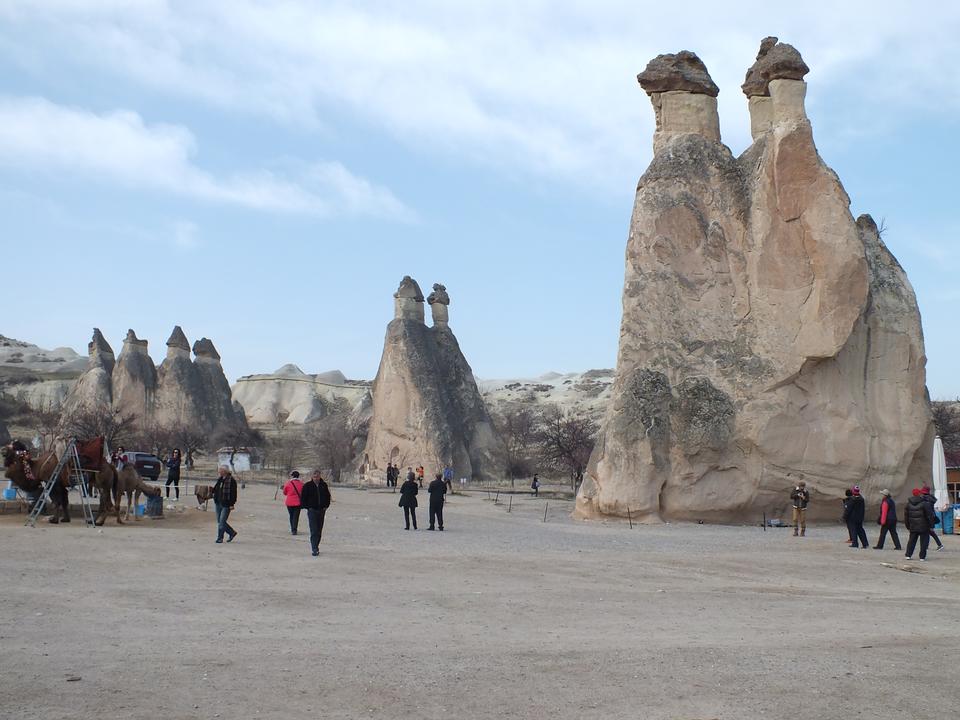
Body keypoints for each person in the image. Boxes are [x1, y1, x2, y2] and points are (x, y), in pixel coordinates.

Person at [300, 470, 331, 556]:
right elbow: (303, 498)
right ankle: (314, 548)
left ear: (320, 476)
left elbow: (328, 496)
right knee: (314, 530)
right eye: (314, 476)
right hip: (312, 510)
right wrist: (307, 507)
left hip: (321, 510)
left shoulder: (323, 485)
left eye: (317, 476)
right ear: (312, 477)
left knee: (319, 530)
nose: (316, 478)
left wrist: (326, 506)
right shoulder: (307, 486)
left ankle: (316, 545)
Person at [904, 488, 937, 561]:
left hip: (913, 526)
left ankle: (908, 555)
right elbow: (929, 515)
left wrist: (908, 526)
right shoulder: (925, 504)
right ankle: (922, 557)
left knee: (911, 541)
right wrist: (932, 525)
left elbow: (906, 516)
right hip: (924, 526)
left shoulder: (908, 504)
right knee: (924, 542)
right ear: (919, 494)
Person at [212, 465, 238, 544]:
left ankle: (220, 538)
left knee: (222, 522)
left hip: (226, 504)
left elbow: (234, 494)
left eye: (220, 470)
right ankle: (232, 532)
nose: (219, 472)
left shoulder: (231, 480)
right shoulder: (220, 479)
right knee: (219, 521)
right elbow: (216, 489)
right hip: (218, 503)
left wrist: (232, 504)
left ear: (225, 471)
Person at [920, 486, 945, 551]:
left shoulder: (925, 499)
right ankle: (927, 546)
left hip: (927, 518)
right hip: (931, 517)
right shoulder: (931, 499)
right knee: (929, 532)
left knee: (930, 532)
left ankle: (939, 545)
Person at [282, 470, 304, 535]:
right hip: (298, 503)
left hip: (289, 502)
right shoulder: (302, 484)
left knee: (291, 515)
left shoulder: (288, 483)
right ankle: (294, 530)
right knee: (296, 516)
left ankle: (292, 529)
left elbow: (284, 492)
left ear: (292, 476)